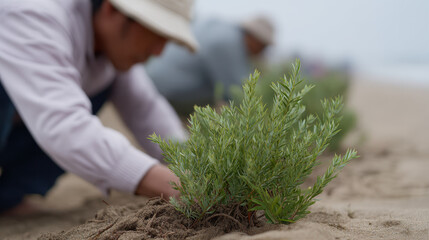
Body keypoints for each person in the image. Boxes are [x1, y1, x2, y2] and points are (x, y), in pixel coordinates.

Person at [0, 0, 198, 215]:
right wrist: (173, 186)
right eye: (157, 32)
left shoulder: (110, 48)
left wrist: (198, 168)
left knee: (98, 89)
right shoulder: (35, 14)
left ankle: (7, 199)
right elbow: (64, 127)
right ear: (111, 8)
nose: (159, 51)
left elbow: (146, 109)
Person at [145, 16, 274, 115]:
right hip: (166, 92)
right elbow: (238, 92)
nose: (263, 51)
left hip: (152, 79)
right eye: (263, 46)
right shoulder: (229, 44)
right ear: (254, 38)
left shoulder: (220, 29)